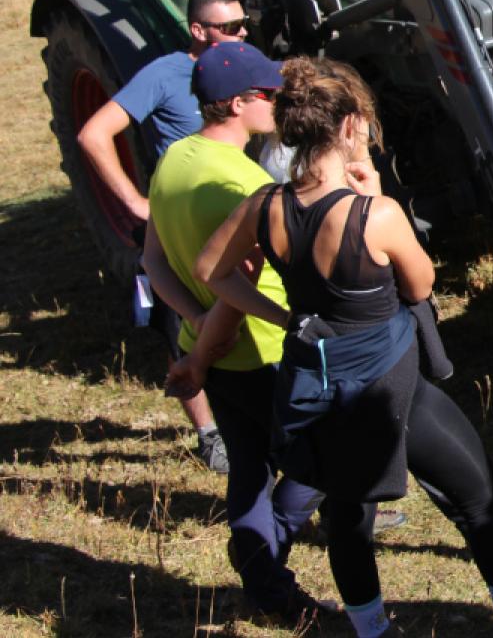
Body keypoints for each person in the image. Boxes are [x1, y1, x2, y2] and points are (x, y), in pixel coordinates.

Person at [183, 56, 493, 637]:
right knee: (480, 497)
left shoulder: (266, 205)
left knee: (347, 515)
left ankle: (372, 630)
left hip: (317, 388)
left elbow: (211, 270)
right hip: (389, 387)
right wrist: (373, 184)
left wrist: (283, 315)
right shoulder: (376, 215)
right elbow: (420, 285)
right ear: (349, 127)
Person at [139, 41, 325, 624]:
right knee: (321, 464)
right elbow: (234, 287)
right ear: (241, 102)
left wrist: (193, 330)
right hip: (261, 355)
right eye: (270, 95)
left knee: (248, 471)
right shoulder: (242, 184)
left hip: (217, 358)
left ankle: (259, 567)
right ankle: (263, 568)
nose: (278, 103)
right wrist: (260, 326)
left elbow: (153, 262)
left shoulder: (175, 158)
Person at [79, 0, 249, 472]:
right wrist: (134, 201)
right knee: (183, 319)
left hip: (237, 209)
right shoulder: (166, 74)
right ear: (198, 30)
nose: (241, 35)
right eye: (230, 28)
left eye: (244, 24)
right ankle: (209, 432)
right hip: (181, 220)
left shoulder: (243, 65)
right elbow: (94, 133)